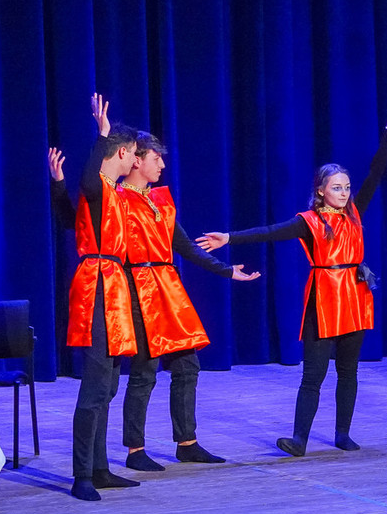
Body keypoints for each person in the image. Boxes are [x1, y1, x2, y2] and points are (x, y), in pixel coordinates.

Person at [197, 104, 387, 456]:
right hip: (325, 300)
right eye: (337, 188)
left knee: (349, 371)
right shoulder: (309, 222)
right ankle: (299, 439)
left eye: (346, 187)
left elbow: (375, 173)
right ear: (321, 191)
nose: (344, 193)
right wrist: (229, 237)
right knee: (314, 374)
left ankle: (343, 433)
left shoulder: (354, 213)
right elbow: (269, 231)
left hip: (355, 297)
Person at [50, 132, 262, 472]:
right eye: (155, 158)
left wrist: (226, 271)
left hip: (167, 289)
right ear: (136, 160)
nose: (162, 165)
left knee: (187, 364)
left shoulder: (160, 201)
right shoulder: (115, 196)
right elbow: (77, 222)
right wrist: (60, 184)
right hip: (134, 288)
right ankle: (135, 448)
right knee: (144, 371)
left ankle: (187, 442)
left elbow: (185, 246)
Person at [64, 94, 139, 501]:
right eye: (134, 154)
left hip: (114, 289)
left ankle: (99, 467)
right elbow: (89, 184)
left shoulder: (113, 193)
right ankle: (82, 475)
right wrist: (102, 135)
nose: (137, 161)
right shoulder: (98, 188)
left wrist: (56, 185)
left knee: (108, 385)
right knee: (94, 387)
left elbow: (67, 217)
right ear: (122, 153)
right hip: (96, 286)